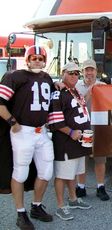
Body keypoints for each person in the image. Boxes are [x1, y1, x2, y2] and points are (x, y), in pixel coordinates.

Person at [0, 45, 54, 230]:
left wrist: (61, 84)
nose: (37, 60)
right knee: (20, 172)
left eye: (40, 58)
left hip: (42, 132)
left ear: (44, 60)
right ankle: (20, 213)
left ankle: (36, 207)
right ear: (28, 59)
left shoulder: (47, 78)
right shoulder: (15, 76)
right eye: (34, 57)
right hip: (23, 132)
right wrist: (12, 122)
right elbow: (0, 104)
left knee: (46, 172)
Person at [48, 62, 92, 221]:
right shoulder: (57, 92)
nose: (74, 76)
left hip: (79, 141)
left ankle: (73, 199)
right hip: (65, 141)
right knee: (61, 175)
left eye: (76, 74)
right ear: (63, 73)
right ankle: (60, 206)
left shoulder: (74, 91)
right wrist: (71, 131)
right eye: (71, 73)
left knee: (72, 172)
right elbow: (55, 120)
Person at [75, 59, 110, 201]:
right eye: (86, 70)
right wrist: (90, 92)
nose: (89, 73)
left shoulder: (104, 86)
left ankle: (100, 187)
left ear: (96, 71)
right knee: (82, 159)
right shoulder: (76, 86)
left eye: (92, 70)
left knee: (100, 159)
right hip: (84, 129)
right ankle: (81, 187)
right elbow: (75, 106)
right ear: (82, 72)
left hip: (99, 129)